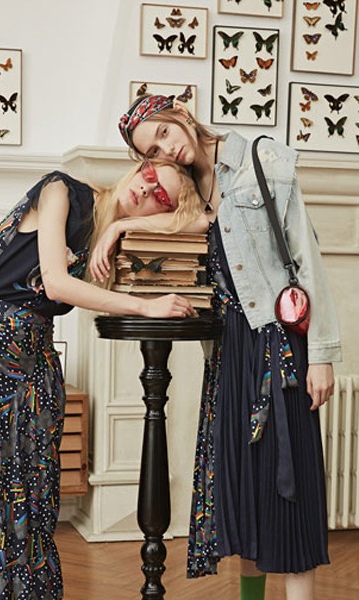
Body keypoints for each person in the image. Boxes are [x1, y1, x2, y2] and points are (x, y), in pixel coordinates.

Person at [0, 160, 207, 600]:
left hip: (32, 362)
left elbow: (206, 219)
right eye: (150, 175)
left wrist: (122, 226)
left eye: (161, 197)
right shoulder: (60, 190)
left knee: (29, 494)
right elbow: (55, 284)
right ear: (139, 166)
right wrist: (145, 305)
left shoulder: (110, 238)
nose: (147, 189)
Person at [113, 95, 342, 600]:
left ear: (182, 114)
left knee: (291, 496)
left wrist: (322, 355)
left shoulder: (263, 160)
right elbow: (175, 229)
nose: (167, 151)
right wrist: (119, 225)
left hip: (279, 347)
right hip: (229, 356)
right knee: (245, 497)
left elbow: (307, 257)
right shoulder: (190, 190)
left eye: (164, 134)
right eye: (153, 151)